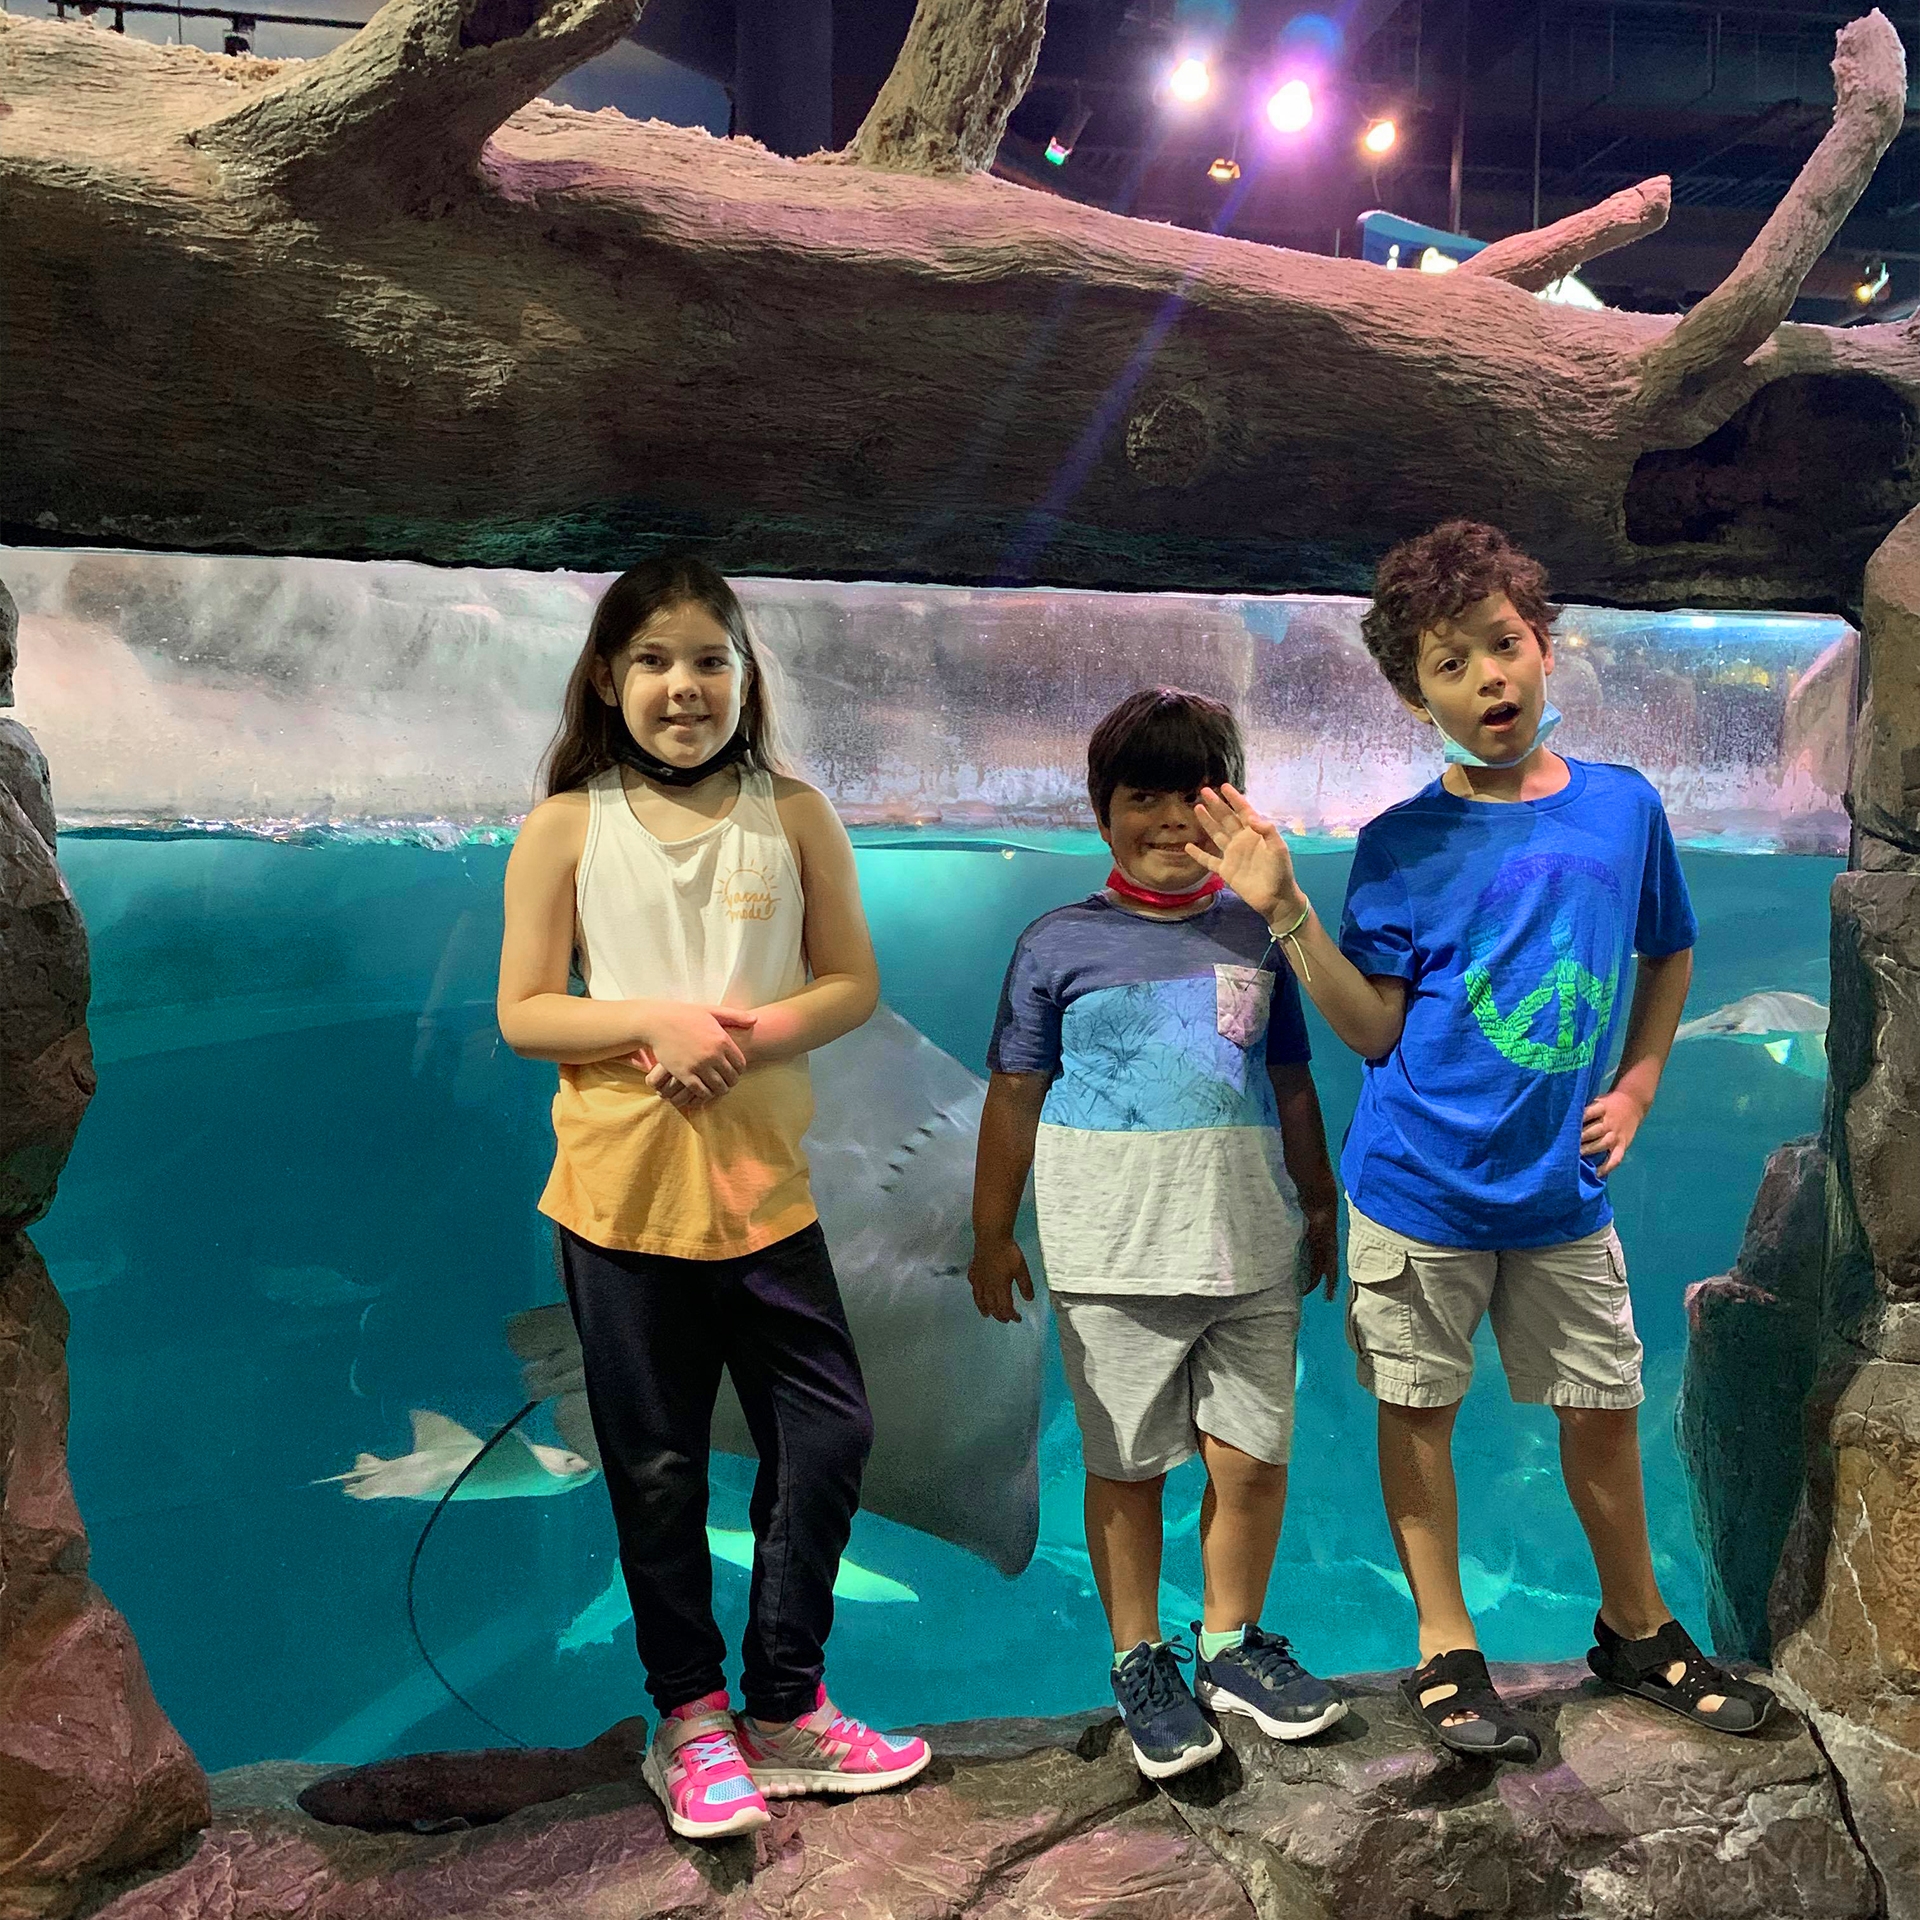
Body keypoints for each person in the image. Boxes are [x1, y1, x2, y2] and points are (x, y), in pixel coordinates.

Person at [1183, 520, 1775, 1761]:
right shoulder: (1404, 845)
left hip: (1562, 1188)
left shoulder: (1624, 810)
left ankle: (1639, 1626)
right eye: (1451, 665)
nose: (1490, 680)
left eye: (1504, 647)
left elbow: (1668, 950)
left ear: (1544, 647)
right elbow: (1373, 1033)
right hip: (1418, 1188)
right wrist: (1288, 911)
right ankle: (1448, 1647)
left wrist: (1643, 1080)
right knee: (1420, 1411)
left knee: (1601, 1405)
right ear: (1417, 695)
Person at [497, 556, 930, 1841]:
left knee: (831, 1434)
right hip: (621, 1198)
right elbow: (525, 1010)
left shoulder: (793, 813)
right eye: (653, 660)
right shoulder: (569, 822)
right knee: (657, 1462)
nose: (683, 686)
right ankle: (690, 1721)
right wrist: (653, 1025)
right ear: (605, 679)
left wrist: (750, 1031)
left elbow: (850, 981)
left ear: (747, 677)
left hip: (764, 1196)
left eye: (709, 660)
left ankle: (786, 1706)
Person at [969, 687, 1347, 1781]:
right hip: (1113, 1253)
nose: (1173, 818)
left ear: (1231, 804)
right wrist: (993, 1229)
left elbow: (1291, 1083)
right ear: (1103, 811)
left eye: (1196, 793)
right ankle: (1140, 1659)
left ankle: (1229, 1643)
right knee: (1126, 1468)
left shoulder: (1260, 933)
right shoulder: (1057, 944)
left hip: (1248, 1245)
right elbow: (1011, 1093)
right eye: (1145, 796)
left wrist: (1316, 1202)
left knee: (1253, 1459)